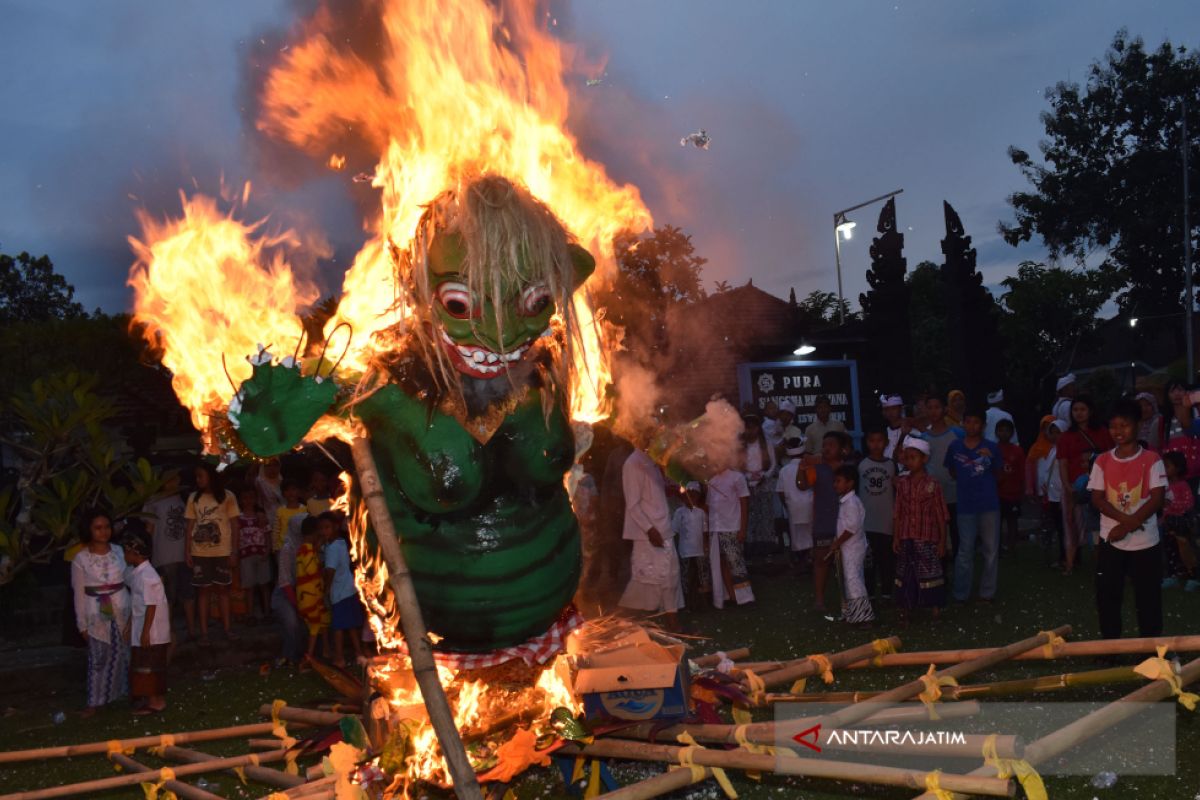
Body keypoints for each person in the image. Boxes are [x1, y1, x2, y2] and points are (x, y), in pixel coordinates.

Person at [1088, 400, 1166, 639]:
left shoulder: (1152, 460)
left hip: (1146, 543)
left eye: (1124, 425)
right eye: (1113, 426)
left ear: (1137, 425)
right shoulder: (1102, 461)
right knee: (1108, 594)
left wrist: (1128, 525)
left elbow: (1156, 499)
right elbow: (1098, 499)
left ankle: (1150, 648)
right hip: (1111, 539)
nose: (1118, 431)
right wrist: (1125, 523)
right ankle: (1110, 646)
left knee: (1148, 597)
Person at [72, 509, 130, 716]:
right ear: (89, 530)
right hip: (96, 611)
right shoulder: (81, 558)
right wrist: (82, 624)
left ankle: (121, 693)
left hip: (122, 606)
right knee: (99, 657)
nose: (103, 532)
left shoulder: (119, 552)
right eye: (98, 528)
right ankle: (95, 701)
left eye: (106, 527)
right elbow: (78, 592)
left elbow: (130, 578)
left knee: (124, 652)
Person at [618, 447, 683, 628]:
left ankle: (670, 620)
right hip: (649, 533)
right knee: (649, 578)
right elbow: (633, 504)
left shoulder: (653, 461)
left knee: (670, 576)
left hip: (663, 528)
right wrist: (649, 529)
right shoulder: (632, 463)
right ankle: (630, 619)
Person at [944, 408, 1002, 602]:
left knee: (991, 550)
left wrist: (989, 460)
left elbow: (999, 473)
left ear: (983, 425)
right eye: (968, 421)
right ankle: (961, 592)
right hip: (965, 505)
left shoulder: (992, 447)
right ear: (963, 423)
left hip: (988, 504)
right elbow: (952, 471)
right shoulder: (955, 447)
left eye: (976, 422)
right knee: (964, 550)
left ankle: (987, 592)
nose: (971, 426)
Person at [892, 437, 949, 622]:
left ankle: (935, 609)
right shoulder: (902, 483)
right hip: (907, 535)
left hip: (927, 537)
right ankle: (905, 610)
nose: (909, 461)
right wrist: (896, 537)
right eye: (907, 458)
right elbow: (898, 512)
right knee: (905, 574)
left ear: (924, 459)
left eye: (913, 457)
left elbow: (941, 514)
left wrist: (942, 541)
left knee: (931, 573)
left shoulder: (933, 484)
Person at [1057, 395, 1114, 575]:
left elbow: (1111, 456)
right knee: (1072, 525)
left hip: (1099, 486)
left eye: (1082, 409)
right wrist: (1067, 486)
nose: (1079, 413)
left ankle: (1101, 563)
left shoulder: (1103, 432)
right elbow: (1063, 463)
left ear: (1090, 411)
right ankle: (1070, 564)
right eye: (1075, 410)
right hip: (1075, 486)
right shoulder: (1066, 436)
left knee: (1099, 524)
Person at [797, 431, 852, 613]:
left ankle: (850, 598)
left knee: (848, 561)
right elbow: (802, 485)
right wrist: (802, 467)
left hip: (846, 523)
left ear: (842, 449)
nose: (827, 448)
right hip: (823, 521)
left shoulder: (849, 469)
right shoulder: (817, 468)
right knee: (821, 561)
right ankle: (819, 600)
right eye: (824, 444)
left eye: (831, 445)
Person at [185, 463, 240, 644]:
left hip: (222, 551)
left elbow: (234, 525)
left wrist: (234, 551)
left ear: (211, 476)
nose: (198, 480)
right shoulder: (194, 498)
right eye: (197, 476)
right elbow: (190, 526)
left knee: (224, 590)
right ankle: (204, 632)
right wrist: (187, 551)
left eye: (201, 475)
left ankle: (227, 628)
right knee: (203, 592)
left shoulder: (228, 496)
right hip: (199, 552)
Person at [121, 530, 170, 715]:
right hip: (143, 626)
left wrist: (145, 631)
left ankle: (156, 702)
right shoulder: (138, 574)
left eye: (126, 552)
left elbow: (151, 605)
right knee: (143, 665)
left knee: (151, 666)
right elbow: (138, 604)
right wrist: (130, 625)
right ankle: (148, 700)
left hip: (152, 631)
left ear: (135, 553)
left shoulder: (148, 576)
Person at [142, 475, 195, 640]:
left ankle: (192, 630)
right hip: (163, 555)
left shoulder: (184, 499)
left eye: (175, 479)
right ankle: (169, 630)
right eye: (170, 479)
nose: (173, 482)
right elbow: (149, 529)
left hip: (183, 554)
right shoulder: (153, 501)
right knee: (168, 596)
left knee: (188, 594)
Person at [706, 465, 754, 608]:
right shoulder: (712, 481)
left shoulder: (737, 477)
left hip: (732, 527)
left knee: (736, 564)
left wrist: (743, 529)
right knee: (722, 563)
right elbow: (710, 508)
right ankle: (731, 596)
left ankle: (746, 598)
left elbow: (744, 504)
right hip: (716, 529)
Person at [922, 395, 963, 563]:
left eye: (937, 407)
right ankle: (940, 576)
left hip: (955, 493)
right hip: (933, 497)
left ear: (945, 409)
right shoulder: (923, 438)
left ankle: (960, 576)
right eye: (929, 407)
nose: (933, 411)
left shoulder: (957, 434)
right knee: (937, 538)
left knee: (957, 536)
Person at [321, 512, 365, 665]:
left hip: (339, 592)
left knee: (338, 626)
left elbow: (330, 571)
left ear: (335, 527)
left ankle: (339, 657)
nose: (324, 531)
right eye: (322, 528)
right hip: (349, 588)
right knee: (351, 624)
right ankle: (359, 653)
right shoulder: (340, 543)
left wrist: (326, 590)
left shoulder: (332, 548)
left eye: (327, 528)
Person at [830, 465, 873, 624]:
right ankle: (851, 613)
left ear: (850, 483)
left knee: (853, 579)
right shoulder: (846, 502)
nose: (835, 484)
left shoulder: (852, 502)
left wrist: (837, 542)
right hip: (847, 547)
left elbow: (852, 528)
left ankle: (864, 617)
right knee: (848, 579)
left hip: (853, 548)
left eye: (839, 481)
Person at [858, 429, 896, 600]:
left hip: (887, 522)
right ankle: (870, 592)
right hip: (867, 523)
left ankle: (887, 592)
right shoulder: (861, 464)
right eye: (872, 440)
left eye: (879, 440)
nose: (876, 444)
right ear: (867, 443)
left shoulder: (891, 465)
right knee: (869, 562)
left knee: (887, 560)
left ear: (886, 442)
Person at [271, 502, 307, 667]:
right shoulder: (287, 549)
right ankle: (290, 655)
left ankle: (306, 655)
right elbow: (284, 582)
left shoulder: (309, 545)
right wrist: (297, 604)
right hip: (285, 594)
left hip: (304, 590)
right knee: (292, 622)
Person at [740, 410, 779, 554]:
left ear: (758, 428)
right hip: (747, 485)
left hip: (764, 483)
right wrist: (747, 477)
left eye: (754, 427)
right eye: (748, 427)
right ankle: (750, 549)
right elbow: (737, 466)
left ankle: (766, 550)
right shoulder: (741, 446)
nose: (751, 430)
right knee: (750, 517)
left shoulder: (766, 444)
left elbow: (773, 464)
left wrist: (764, 476)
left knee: (766, 517)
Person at [1160, 451, 1198, 591]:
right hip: (1166, 524)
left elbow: (1188, 503)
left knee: (1185, 549)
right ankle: (1172, 576)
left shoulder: (1183, 485)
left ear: (1178, 468)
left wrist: (1170, 504)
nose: (1164, 469)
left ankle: (1193, 577)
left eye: (1167, 466)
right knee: (1169, 550)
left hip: (1180, 525)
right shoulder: (1163, 486)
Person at [296, 515, 330, 667]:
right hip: (309, 595)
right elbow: (311, 570)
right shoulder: (306, 549)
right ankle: (307, 659)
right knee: (315, 625)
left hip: (314, 593)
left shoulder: (307, 549)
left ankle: (326, 652)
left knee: (323, 622)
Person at [776, 438, 814, 571]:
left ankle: (802, 561)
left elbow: (780, 492)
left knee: (796, 536)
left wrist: (786, 505)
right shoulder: (810, 466)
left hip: (792, 506)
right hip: (809, 505)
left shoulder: (784, 470)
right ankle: (810, 559)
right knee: (810, 532)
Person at [236, 485, 273, 620]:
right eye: (245, 498)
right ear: (240, 500)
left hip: (261, 553)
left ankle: (267, 612)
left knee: (264, 584)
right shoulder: (238, 518)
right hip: (245, 555)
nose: (248, 501)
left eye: (251, 497)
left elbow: (268, 534)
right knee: (249, 586)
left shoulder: (261, 517)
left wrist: (268, 550)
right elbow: (235, 538)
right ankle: (250, 613)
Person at [673, 482, 710, 606]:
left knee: (702, 574)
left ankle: (704, 600)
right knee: (686, 574)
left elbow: (705, 531)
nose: (691, 498)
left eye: (694, 495)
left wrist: (706, 546)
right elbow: (675, 530)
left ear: (698, 496)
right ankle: (687, 600)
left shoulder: (701, 513)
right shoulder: (679, 512)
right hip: (685, 550)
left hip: (699, 550)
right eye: (689, 495)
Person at [1036, 420, 1067, 568]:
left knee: (1063, 527)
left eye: (1058, 432)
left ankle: (1066, 557)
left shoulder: (1064, 450)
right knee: (1058, 526)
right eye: (1052, 432)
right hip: (1052, 495)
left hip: (1062, 494)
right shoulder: (1052, 450)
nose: (1055, 436)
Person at [995, 419, 1026, 553]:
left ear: (1012, 433)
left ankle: (1012, 546)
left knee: (1012, 520)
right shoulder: (993, 449)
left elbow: (1022, 471)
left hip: (1013, 492)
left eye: (1007, 430)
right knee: (997, 521)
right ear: (996, 432)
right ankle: (998, 547)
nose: (1004, 433)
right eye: (1001, 430)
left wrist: (1022, 489)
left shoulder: (1017, 451)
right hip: (997, 492)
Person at [274, 480, 308, 554]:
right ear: (283, 493)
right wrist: (275, 547)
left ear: (299, 492)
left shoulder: (304, 509)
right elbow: (276, 530)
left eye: (293, 489)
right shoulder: (280, 511)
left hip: (300, 547)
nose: (290, 493)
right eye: (287, 490)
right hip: (283, 548)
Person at [880, 395, 911, 461]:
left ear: (900, 409)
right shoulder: (883, 432)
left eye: (894, 408)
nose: (890, 412)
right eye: (887, 409)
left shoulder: (911, 430)